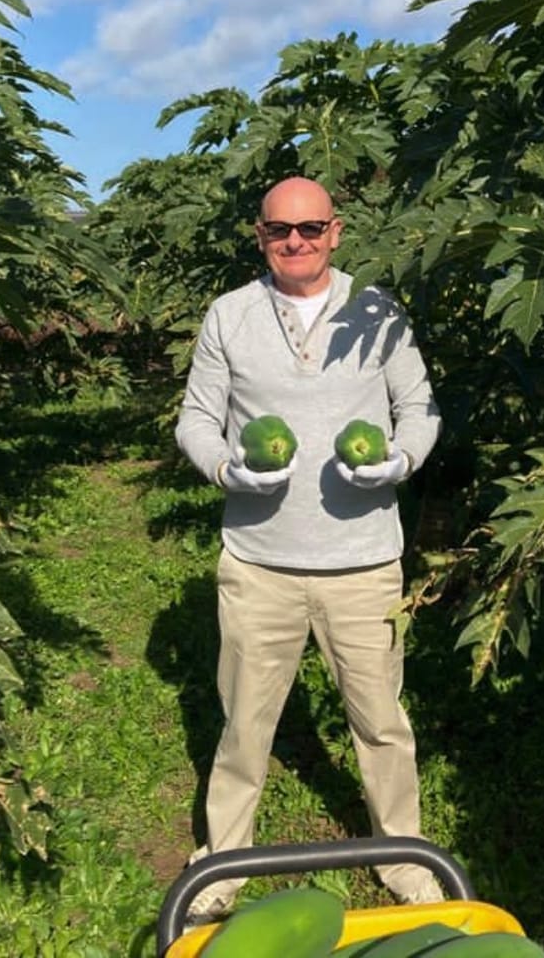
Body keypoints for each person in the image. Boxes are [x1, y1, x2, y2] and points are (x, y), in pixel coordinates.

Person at [174, 175, 442, 922]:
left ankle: (403, 855)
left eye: (311, 229)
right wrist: (228, 469)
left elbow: (417, 405)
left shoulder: (378, 310)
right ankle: (223, 861)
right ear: (258, 235)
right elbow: (196, 418)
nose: (296, 242)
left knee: (381, 720)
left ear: (337, 230)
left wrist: (403, 461)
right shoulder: (230, 315)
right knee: (244, 722)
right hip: (259, 561)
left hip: (363, 562)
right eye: (278, 231)